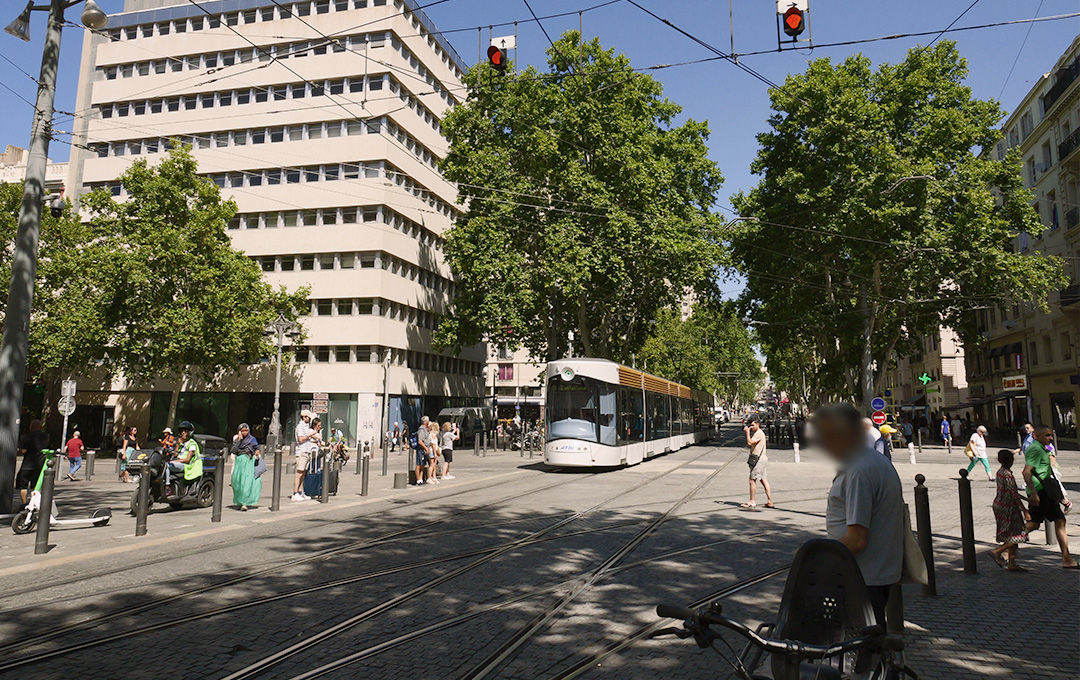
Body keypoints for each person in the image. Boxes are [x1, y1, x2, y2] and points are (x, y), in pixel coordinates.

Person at [814, 403, 904, 628]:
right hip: (873, 574)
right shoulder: (870, 461)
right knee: (869, 637)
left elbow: (857, 539)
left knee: (862, 640)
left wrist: (821, 562)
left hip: (863, 576)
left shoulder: (859, 471)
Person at [1023, 425, 1078, 569]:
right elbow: (1026, 472)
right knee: (1034, 524)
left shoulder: (1043, 448)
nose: (1050, 438)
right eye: (1047, 435)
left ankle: (1067, 558)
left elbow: (1049, 460)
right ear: (1036, 436)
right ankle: (1004, 547)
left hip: (1046, 489)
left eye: (1051, 435)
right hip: (1040, 490)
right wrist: (1033, 493)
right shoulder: (1035, 449)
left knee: (1060, 520)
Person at [989, 449, 1029, 572]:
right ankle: (998, 551)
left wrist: (1026, 499)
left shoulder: (999, 472)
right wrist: (1024, 510)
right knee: (1017, 534)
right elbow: (1014, 494)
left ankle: (1012, 562)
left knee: (1010, 533)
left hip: (999, 504)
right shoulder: (1008, 475)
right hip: (1009, 507)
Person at [740, 415, 774, 509]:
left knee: (752, 480)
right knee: (764, 480)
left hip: (758, 460)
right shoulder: (758, 433)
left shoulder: (759, 433)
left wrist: (747, 432)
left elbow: (749, 442)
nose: (751, 427)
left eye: (753, 425)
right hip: (762, 459)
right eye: (750, 425)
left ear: (758, 424)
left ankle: (752, 501)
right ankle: (770, 501)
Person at [16, 420, 48, 505]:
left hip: (28, 464)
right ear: (41, 427)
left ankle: (24, 503)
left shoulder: (28, 437)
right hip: (40, 463)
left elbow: (23, 450)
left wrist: (17, 451)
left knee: (23, 485)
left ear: (31, 427)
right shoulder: (45, 436)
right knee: (36, 485)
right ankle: (34, 502)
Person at [230, 423, 262, 511]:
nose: (244, 432)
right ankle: (239, 501)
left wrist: (257, 452)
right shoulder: (237, 439)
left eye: (246, 431)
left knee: (246, 482)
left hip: (248, 462)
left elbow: (256, 448)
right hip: (239, 462)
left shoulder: (252, 439)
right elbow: (234, 450)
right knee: (238, 482)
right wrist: (239, 441)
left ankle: (244, 503)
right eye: (242, 431)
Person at [168, 421, 202, 493]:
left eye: (185, 431)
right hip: (179, 463)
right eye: (182, 431)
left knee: (167, 466)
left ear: (190, 433)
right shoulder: (181, 443)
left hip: (187, 465)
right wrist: (177, 444)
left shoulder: (192, 444)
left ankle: (167, 487)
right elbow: (175, 455)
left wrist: (175, 461)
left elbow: (187, 459)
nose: (183, 433)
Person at [292, 410, 318, 501]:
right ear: (304, 417)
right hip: (302, 451)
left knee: (303, 473)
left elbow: (308, 438)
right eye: (308, 417)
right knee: (299, 472)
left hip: (307, 451)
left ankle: (300, 491)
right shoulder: (300, 427)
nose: (309, 419)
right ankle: (295, 493)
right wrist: (310, 435)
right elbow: (301, 439)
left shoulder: (306, 426)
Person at [414, 416, 431, 485]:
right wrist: (426, 449)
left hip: (425, 450)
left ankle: (421, 479)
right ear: (426, 422)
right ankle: (418, 480)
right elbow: (420, 441)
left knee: (423, 464)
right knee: (418, 464)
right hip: (421, 450)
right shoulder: (421, 430)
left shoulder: (425, 429)